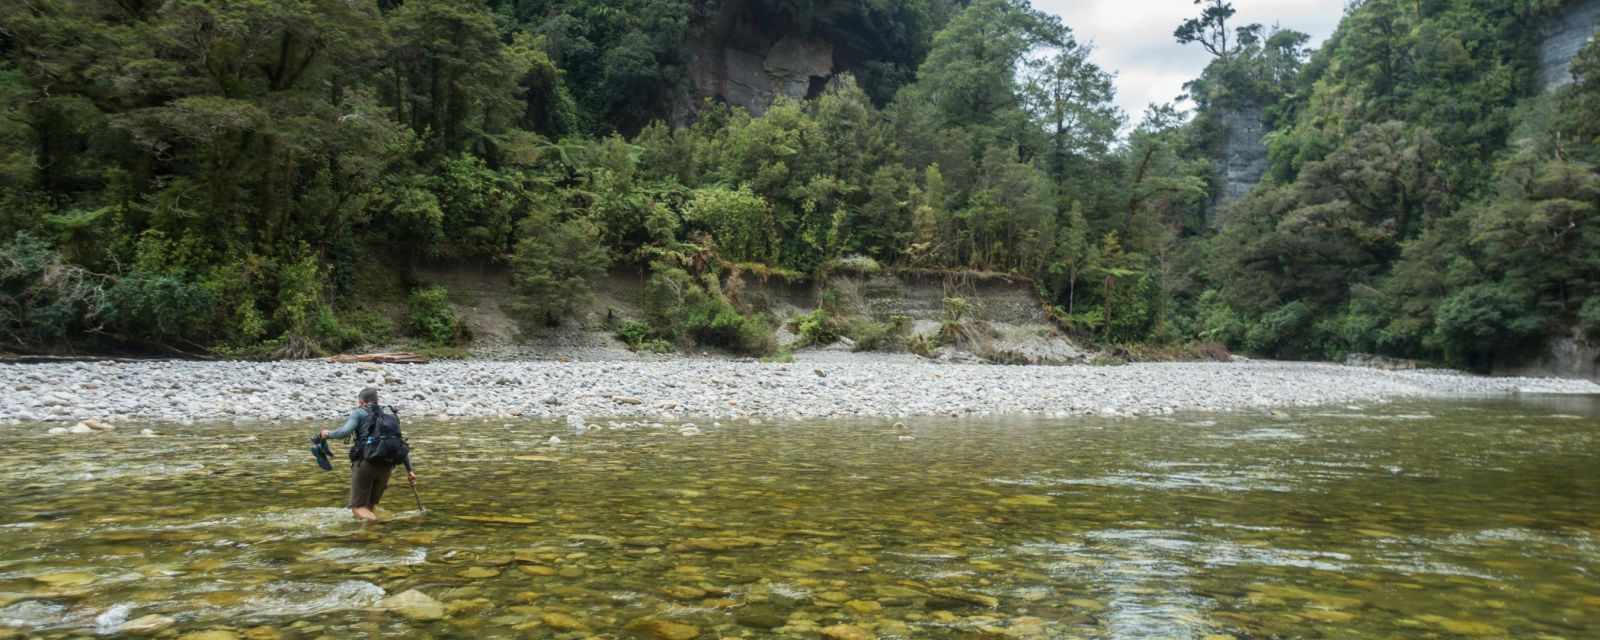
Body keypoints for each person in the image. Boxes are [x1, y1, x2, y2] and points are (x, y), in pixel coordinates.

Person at [321, 387, 414, 521]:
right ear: (377, 401)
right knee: (369, 506)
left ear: (361, 402)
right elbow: (398, 443)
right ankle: (371, 537)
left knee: (358, 508)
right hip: (387, 466)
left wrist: (327, 434)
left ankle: (374, 530)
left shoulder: (359, 413)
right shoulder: (390, 415)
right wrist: (410, 470)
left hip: (366, 464)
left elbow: (344, 432)